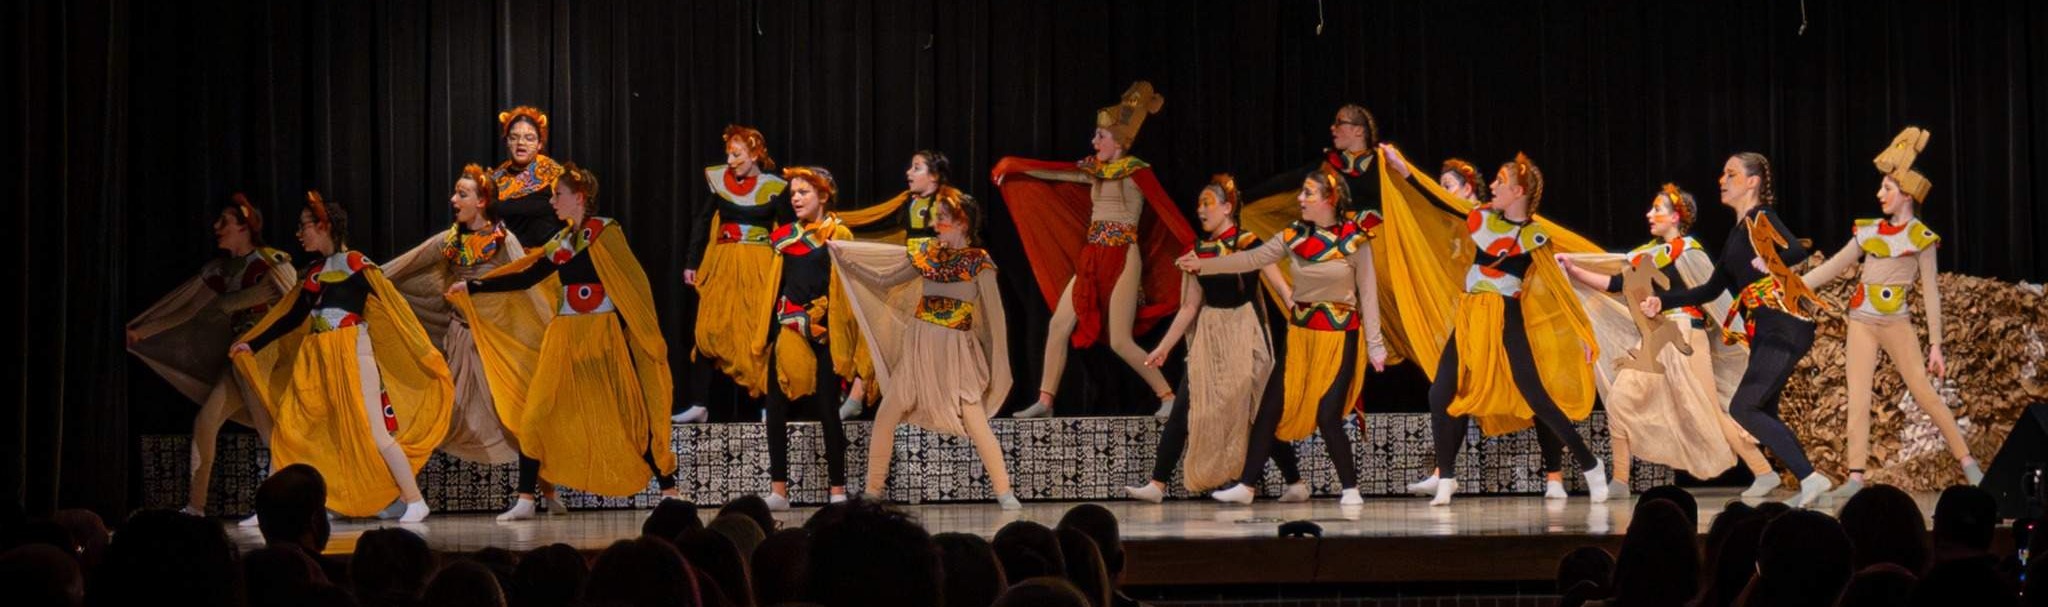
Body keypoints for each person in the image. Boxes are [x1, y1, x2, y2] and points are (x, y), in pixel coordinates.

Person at [449, 163, 680, 520]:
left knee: (627, 415)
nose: (552, 201)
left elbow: (633, 288)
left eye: (558, 194)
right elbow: (527, 277)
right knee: (536, 414)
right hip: (564, 336)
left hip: (601, 337)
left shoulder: (605, 233)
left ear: (579, 197)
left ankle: (669, 490)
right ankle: (526, 499)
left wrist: (643, 338)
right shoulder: (561, 243)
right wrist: (475, 287)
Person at [232, 191, 452, 522]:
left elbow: (394, 309)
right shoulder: (314, 272)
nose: (300, 233)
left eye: (305, 226)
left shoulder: (356, 264)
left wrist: (421, 351)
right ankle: (271, 509)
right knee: (291, 427)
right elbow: (294, 316)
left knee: (376, 432)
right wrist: (254, 343)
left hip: (352, 351)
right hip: (317, 356)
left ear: (323, 226)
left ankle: (414, 499)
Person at [991, 81, 1195, 418]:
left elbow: (1166, 211)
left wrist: (1193, 248)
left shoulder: (1137, 172)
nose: (1094, 141)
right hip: (1092, 257)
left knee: (1119, 341)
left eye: (1100, 136)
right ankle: (1045, 400)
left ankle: (1167, 395)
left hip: (1122, 257)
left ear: (1119, 140)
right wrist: (1015, 169)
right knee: (1058, 325)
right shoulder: (1096, 172)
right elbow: (1057, 174)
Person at [126, 193, 294, 518]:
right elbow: (190, 311)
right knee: (207, 422)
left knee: (269, 430)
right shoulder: (221, 269)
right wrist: (140, 333)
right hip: (240, 355)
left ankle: (283, 505)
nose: (217, 227)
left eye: (225, 222)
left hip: (263, 355)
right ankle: (196, 507)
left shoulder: (271, 261)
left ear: (245, 227)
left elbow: (296, 305)